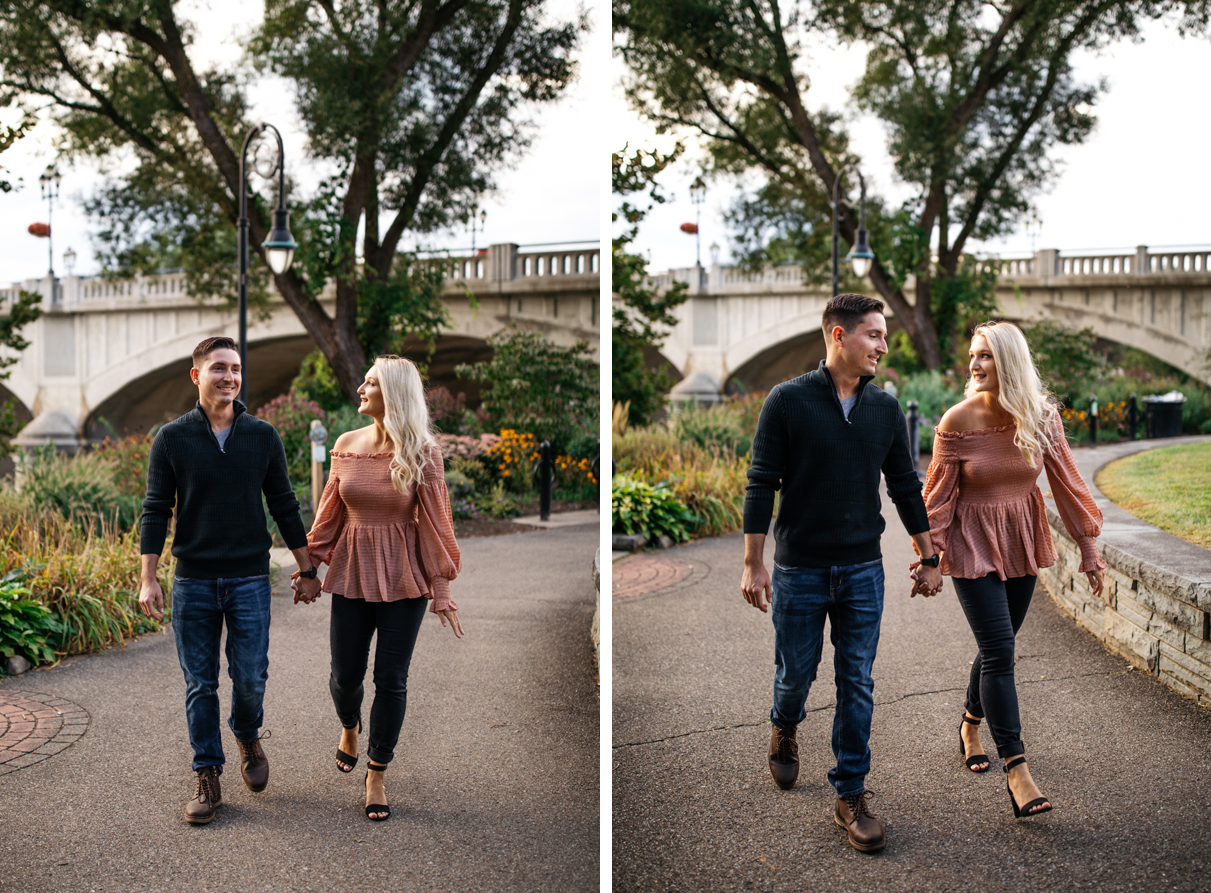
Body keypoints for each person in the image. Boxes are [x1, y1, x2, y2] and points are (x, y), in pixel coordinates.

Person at [740, 293, 942, 853]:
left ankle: (850, 792)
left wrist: (929, 557)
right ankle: (785, 724)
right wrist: (754, 562)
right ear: (838, 336)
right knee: (795, 676)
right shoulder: (786, 401)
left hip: (862, 569)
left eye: (883, 336)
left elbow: (905, 485)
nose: (882, 345)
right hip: (800, 568)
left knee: (857, 680)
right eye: (874, 335)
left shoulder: (884, 409)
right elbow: (761, 483)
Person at [914, 320, 1105, 818]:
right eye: (973, 355)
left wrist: (1089, 549)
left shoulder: (1041, 418)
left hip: (1021, 537)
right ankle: (1017, 769)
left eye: (986, 357)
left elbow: (1068, 484)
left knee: (998, 645)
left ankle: (969, 722)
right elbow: (937, 500)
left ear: (1010, 363)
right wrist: (929, 561)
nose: (974, 365)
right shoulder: (956, 420)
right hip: (972, 541)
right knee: (1000, 650)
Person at [139, 336, 322, 825]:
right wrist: (149, 578)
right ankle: (207, 774)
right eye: (219, 368)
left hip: (247, 579)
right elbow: (156, 509)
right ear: (196, 375)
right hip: (193, 581)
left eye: (236, 368)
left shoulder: (262, 436)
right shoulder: (172, 438)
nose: (230, 376)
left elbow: (284, 504)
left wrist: (307, 570)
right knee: (200, 684)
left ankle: (247, 733)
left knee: (251, 679)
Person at [296, 355, 462, 822]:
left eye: (370, 383)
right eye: (364, 380)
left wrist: (441, 588)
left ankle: (377, 771)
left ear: (393, 393)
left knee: (391, 679)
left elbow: (435, 525)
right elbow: (328, 518)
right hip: (351, 572)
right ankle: (349, 726)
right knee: (345, 676)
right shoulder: (347, 444)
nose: (360, 389)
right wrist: (309, 570)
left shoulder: (422, 452)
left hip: (404, 581)